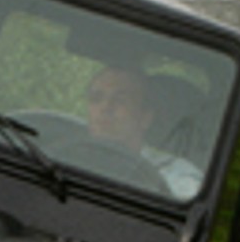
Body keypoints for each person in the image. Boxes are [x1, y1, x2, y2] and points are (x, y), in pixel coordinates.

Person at [83, 65, 204, 198]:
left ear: (145, 118)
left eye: (120, 100)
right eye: (96, 98)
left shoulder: (177, 177)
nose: (105, 107)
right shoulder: (69, 156)